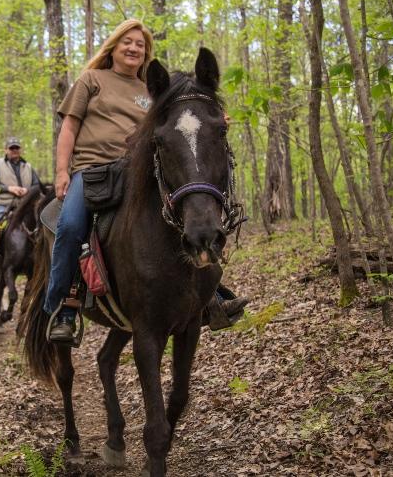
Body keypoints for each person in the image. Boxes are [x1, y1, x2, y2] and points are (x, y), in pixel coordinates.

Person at [45, 19, 248, 344]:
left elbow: (181, 122)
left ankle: (210, 295)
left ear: (146, 52)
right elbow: (69, 128)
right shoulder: (91, 80)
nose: (133, 48)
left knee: (185, 215)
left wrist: (214, 119)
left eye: (140, 44)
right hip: (92, 171)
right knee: (69, 226)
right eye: (127, 41)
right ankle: (63, 309)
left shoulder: (152, 89)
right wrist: (61, 172)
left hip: (137, 169)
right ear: (113, 45)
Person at [0, 137, 41, 221]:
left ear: (20, 149)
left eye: (17, 148)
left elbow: (37, 185)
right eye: (11, 148)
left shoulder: (28, 166)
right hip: (3, 205)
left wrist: (27, 190)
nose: (14, 150)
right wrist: (9, 189)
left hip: (26, 205)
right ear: (5, 150)